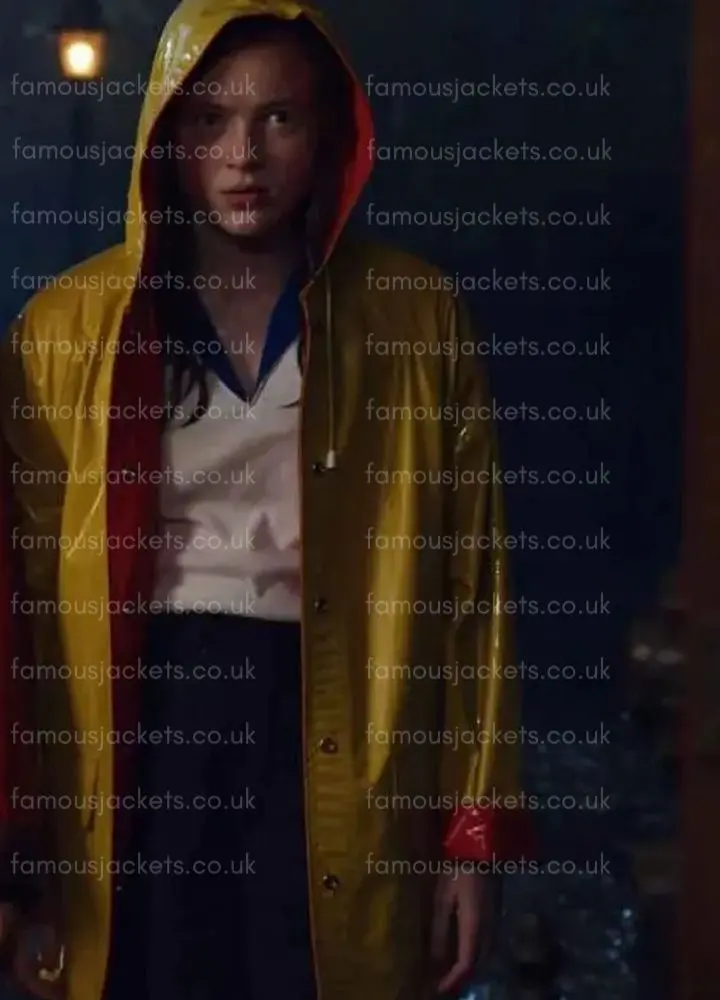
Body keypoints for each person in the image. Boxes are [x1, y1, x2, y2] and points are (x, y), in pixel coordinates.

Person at [0, 1, 532, 998]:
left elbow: (475, 591)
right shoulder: (67, 327)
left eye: (278, 118)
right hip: (145, 727)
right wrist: (18, 855)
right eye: (211, 119)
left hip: (339, 721)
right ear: (167, 135)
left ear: (327, 131)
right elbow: (21, 612)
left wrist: (472, 835)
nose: (243, 155)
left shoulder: (414, 317)